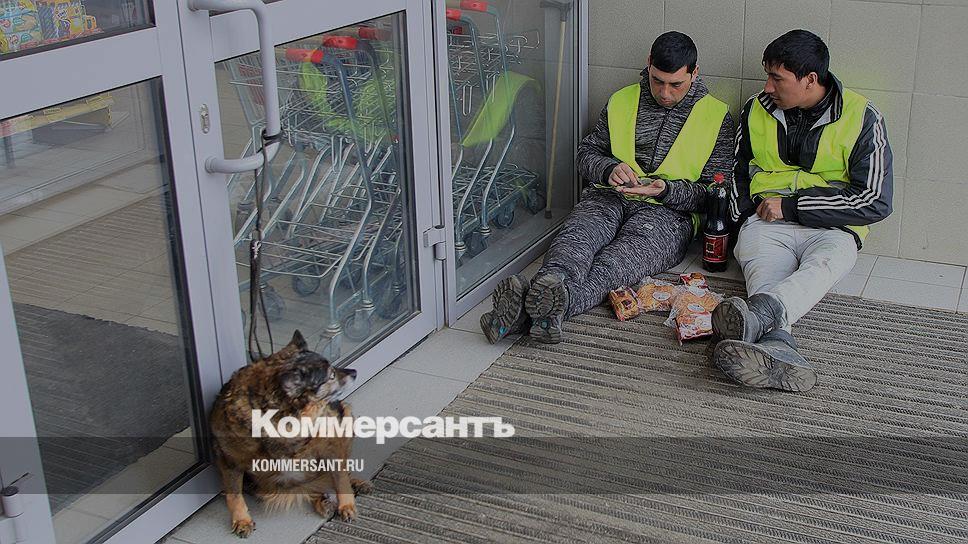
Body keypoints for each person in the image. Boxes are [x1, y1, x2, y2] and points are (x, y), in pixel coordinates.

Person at [480, 31, 735, 344]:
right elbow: (585, 154)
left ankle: (522, 314)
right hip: (607, 197)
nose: (664, 93)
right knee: (573, 245)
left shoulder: (716, 116)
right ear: (649, 64)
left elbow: (714, 194)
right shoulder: (621, 100)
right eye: (657, 81)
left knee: (611, 267)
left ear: (694, 74)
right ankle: (545, 299)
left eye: (675, 85)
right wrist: (608, 168)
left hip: (669, 215)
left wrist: (666, 190)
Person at [711, 29, 893, 392]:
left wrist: (793, 207)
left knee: (825, 266)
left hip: (832, 227)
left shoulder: (863, 116)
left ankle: (762, 317)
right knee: (764, 275)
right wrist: (743, 218)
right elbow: (736, 171)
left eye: (777, 78)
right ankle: (778, 343)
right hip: (765, 222)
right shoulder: (756, 108)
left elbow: (875, 199)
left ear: (810, 79)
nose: (767, 87)